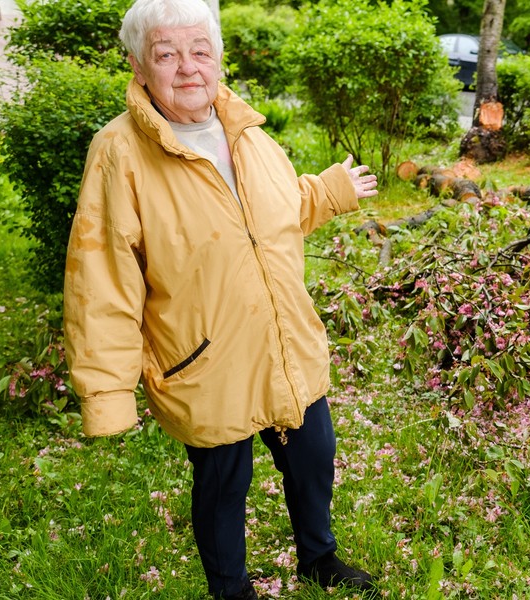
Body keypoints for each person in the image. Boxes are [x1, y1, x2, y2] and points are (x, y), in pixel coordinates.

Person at [62, 0, 378, 597]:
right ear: (138, 65)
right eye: (167, 54)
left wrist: (329, 191)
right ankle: (229, 589)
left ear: (219, 59)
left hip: (285, 342)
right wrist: (106, 393)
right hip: (204, 357)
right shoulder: (120, 151)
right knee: (223, 483)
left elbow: (275, 214)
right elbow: (101, 277)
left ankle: (319, 556)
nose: (187, 68)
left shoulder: (248, 133)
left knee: (313, 457)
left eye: (200, 51)